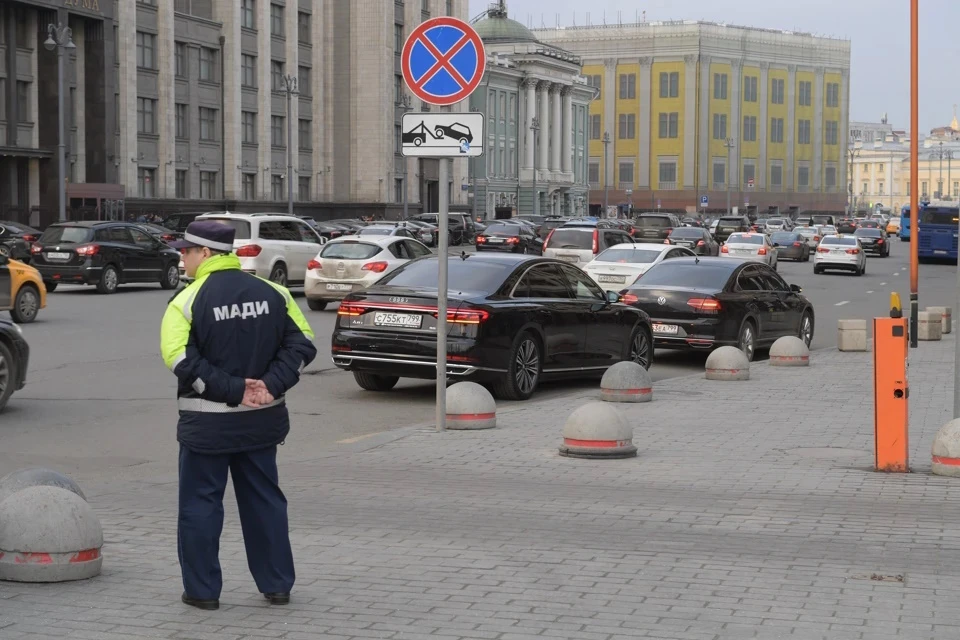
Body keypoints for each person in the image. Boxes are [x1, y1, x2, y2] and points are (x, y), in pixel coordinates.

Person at [160, 220, 317, 611]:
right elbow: (303, 343)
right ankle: (277, 585)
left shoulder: (186, 300)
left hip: (207, 426)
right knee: (265, 502)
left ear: (206, 254)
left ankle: (202, 592)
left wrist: (232, 389)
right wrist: (269, 385)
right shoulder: (274, 292)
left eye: (187, 251)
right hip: (262, 421)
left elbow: (178, 357)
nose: (182, 258)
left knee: (200, 507)